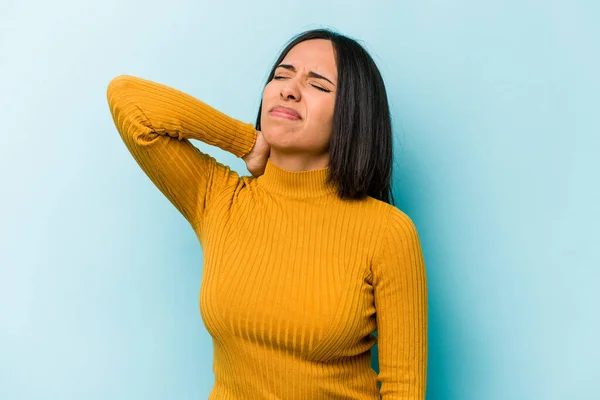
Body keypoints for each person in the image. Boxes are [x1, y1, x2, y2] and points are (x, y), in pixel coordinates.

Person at [106, 28, 428, 399]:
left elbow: (404, 390)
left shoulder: (387, 232)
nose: (288, 89)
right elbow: (128, 100)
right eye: (281, 75)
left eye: (318, 85)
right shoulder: (218, 198)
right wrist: (244, 140)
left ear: (352, 116)